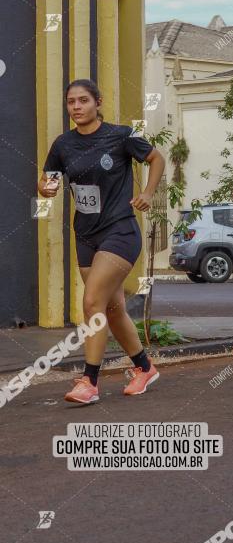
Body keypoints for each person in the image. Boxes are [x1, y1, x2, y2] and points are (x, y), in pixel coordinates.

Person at [38, 79, 166, 404]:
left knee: (92, 302)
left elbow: (157, 158)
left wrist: (148, 193)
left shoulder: (121, 135)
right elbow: (48, 179)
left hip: (120, 230)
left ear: (98, 101)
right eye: (71, 102)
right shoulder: (62, 144)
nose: (77, 107)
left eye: (83, 100)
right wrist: (46, 189)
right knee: (111, 308)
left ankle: (89, 382)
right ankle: (144, 367)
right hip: (85, 235)